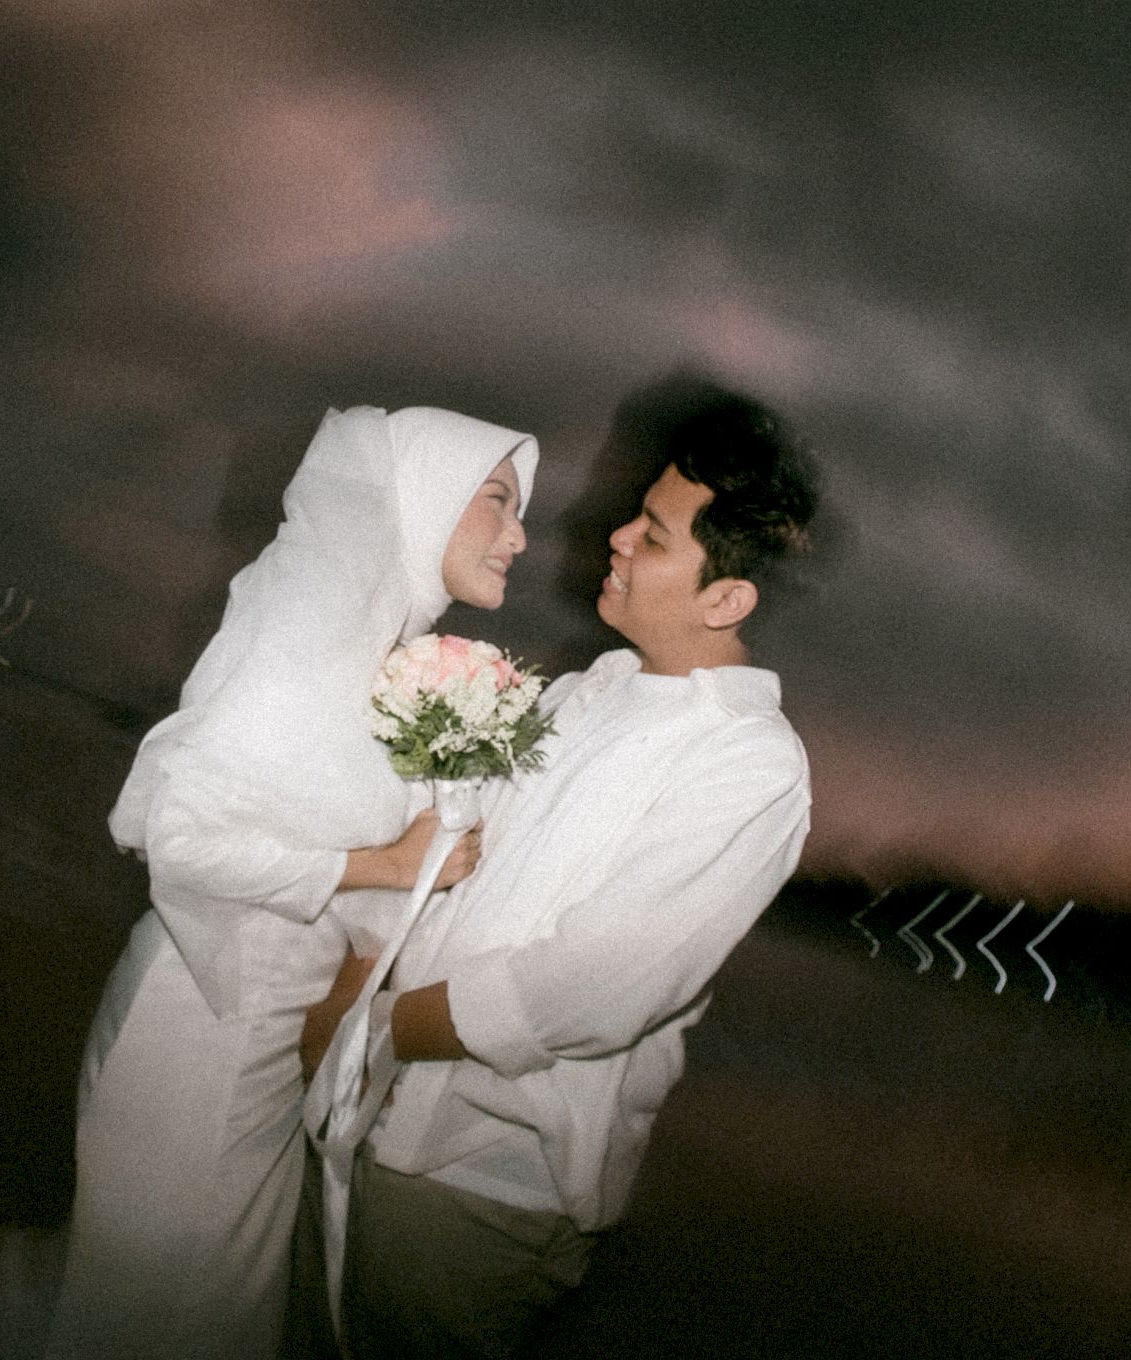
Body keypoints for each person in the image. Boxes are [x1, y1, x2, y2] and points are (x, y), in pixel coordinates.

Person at [300, 396, 819, 1360]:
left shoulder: (750, 764)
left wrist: (372, 1029)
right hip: (374, 1113)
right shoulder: (591, 689)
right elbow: (451, 860)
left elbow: (596, 987)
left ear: (726, 600)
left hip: (480, 1182)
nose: (617, 536)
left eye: (653, 536)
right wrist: (353, 976)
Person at [42, 404, 538, 1360]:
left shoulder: (383, 651)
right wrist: (391, 866)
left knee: (201, 1315)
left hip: (266, 1042)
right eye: (496, 500)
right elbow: (175, 831)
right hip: (198, 1031)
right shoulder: (309, 627)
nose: (518, 536)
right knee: (165, 1319)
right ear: (425, 497)